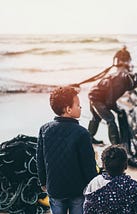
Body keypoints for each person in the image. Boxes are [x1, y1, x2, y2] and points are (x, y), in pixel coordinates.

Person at [36, 86, 98, 214]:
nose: (80, 107)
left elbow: (40, 159)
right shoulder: (82, 133)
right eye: (78, 105)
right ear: (69, 109)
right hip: (77, 190)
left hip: (54, 188)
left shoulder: (44, 129)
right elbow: (88, 165)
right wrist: (93, 187)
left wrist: (43, 181)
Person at [83, 145, 137, 214]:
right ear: (125, 165)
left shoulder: (93, 184)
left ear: (103, 165)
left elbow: (87, 209)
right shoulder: (132, 186)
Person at [88, 66, 137, 145]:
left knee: (96, 118)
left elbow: (110, 98)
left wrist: (117, 109)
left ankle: (89, 138)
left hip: (94, 93)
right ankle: (115, 145)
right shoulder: (121, 84)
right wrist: (118, 110)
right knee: (110, 119)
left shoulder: (124, 78)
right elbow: (110, 101)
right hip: (97, 98)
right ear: (135, 81)